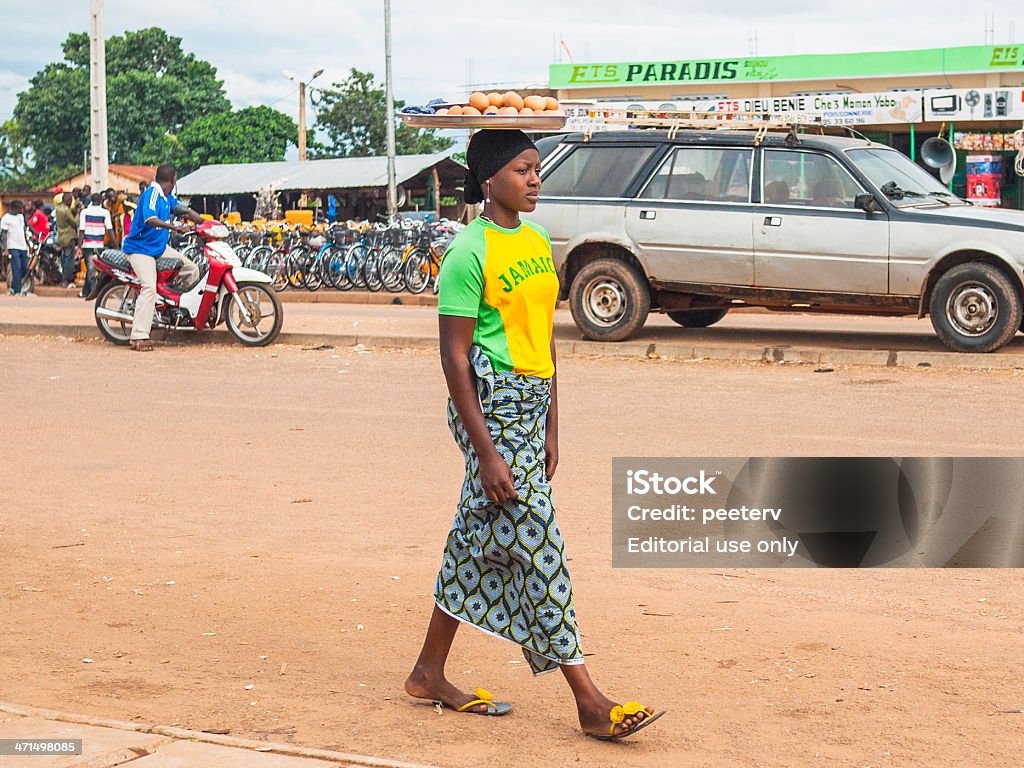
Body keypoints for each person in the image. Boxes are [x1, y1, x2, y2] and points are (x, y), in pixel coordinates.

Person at [405, 130, 663, 741]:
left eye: (537, 169)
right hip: (490, 412)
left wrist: (552, 419)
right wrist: (488, 452)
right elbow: (454, 355)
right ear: (491, 179)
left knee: (475, 542)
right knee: (540, 546)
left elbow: (543, 336)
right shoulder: (469, 252)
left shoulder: (538, 240)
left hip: (529, 406)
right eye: (523, 169)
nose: (535, 179)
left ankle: (427, 672)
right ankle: (589, 700)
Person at [121, 164, 204, 352]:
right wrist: (175, 228)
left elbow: (184, 210)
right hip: (140, 250)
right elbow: (150, 219)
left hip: (158, 248)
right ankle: (139, 336)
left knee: (192, 269)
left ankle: (176, 311)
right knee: (149, 287)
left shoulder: (167, 198)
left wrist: (205, 223)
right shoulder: (152, 194)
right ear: (173, 180)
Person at [77, 192, 113, 297]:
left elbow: (81, 230)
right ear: (101, 201)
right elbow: (110, 230)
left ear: (91, 201)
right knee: (92, 269)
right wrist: (115, 245)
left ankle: (86, 291)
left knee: (90, 268)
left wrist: (79, 246)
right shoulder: (105, 213)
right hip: (99, 245)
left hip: (87, 244)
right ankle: (93, 292)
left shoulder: (84, 212)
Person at [2, 200, 32, 296]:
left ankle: (18, 287)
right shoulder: (6, 218)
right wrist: (5, 249)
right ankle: (16, 290)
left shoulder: (21, 217)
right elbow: (4, 234)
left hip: (22, 246)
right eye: (19, 209)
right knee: (17, 267)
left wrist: (28, 245)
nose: (21, 210)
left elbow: (23, 231)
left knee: (24, 268)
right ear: (13, 208)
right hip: (12, 246)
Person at [55, 192, 79, 288]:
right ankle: (66, 280)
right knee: (69, 260)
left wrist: (75, 208)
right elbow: (75, 222)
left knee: (64, 258)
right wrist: (78, 213)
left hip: (61, 237)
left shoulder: (58, 208)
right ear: (68, 200)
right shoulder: (66, 211)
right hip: (69, 237)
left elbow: (69, 212)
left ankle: (63, 279)